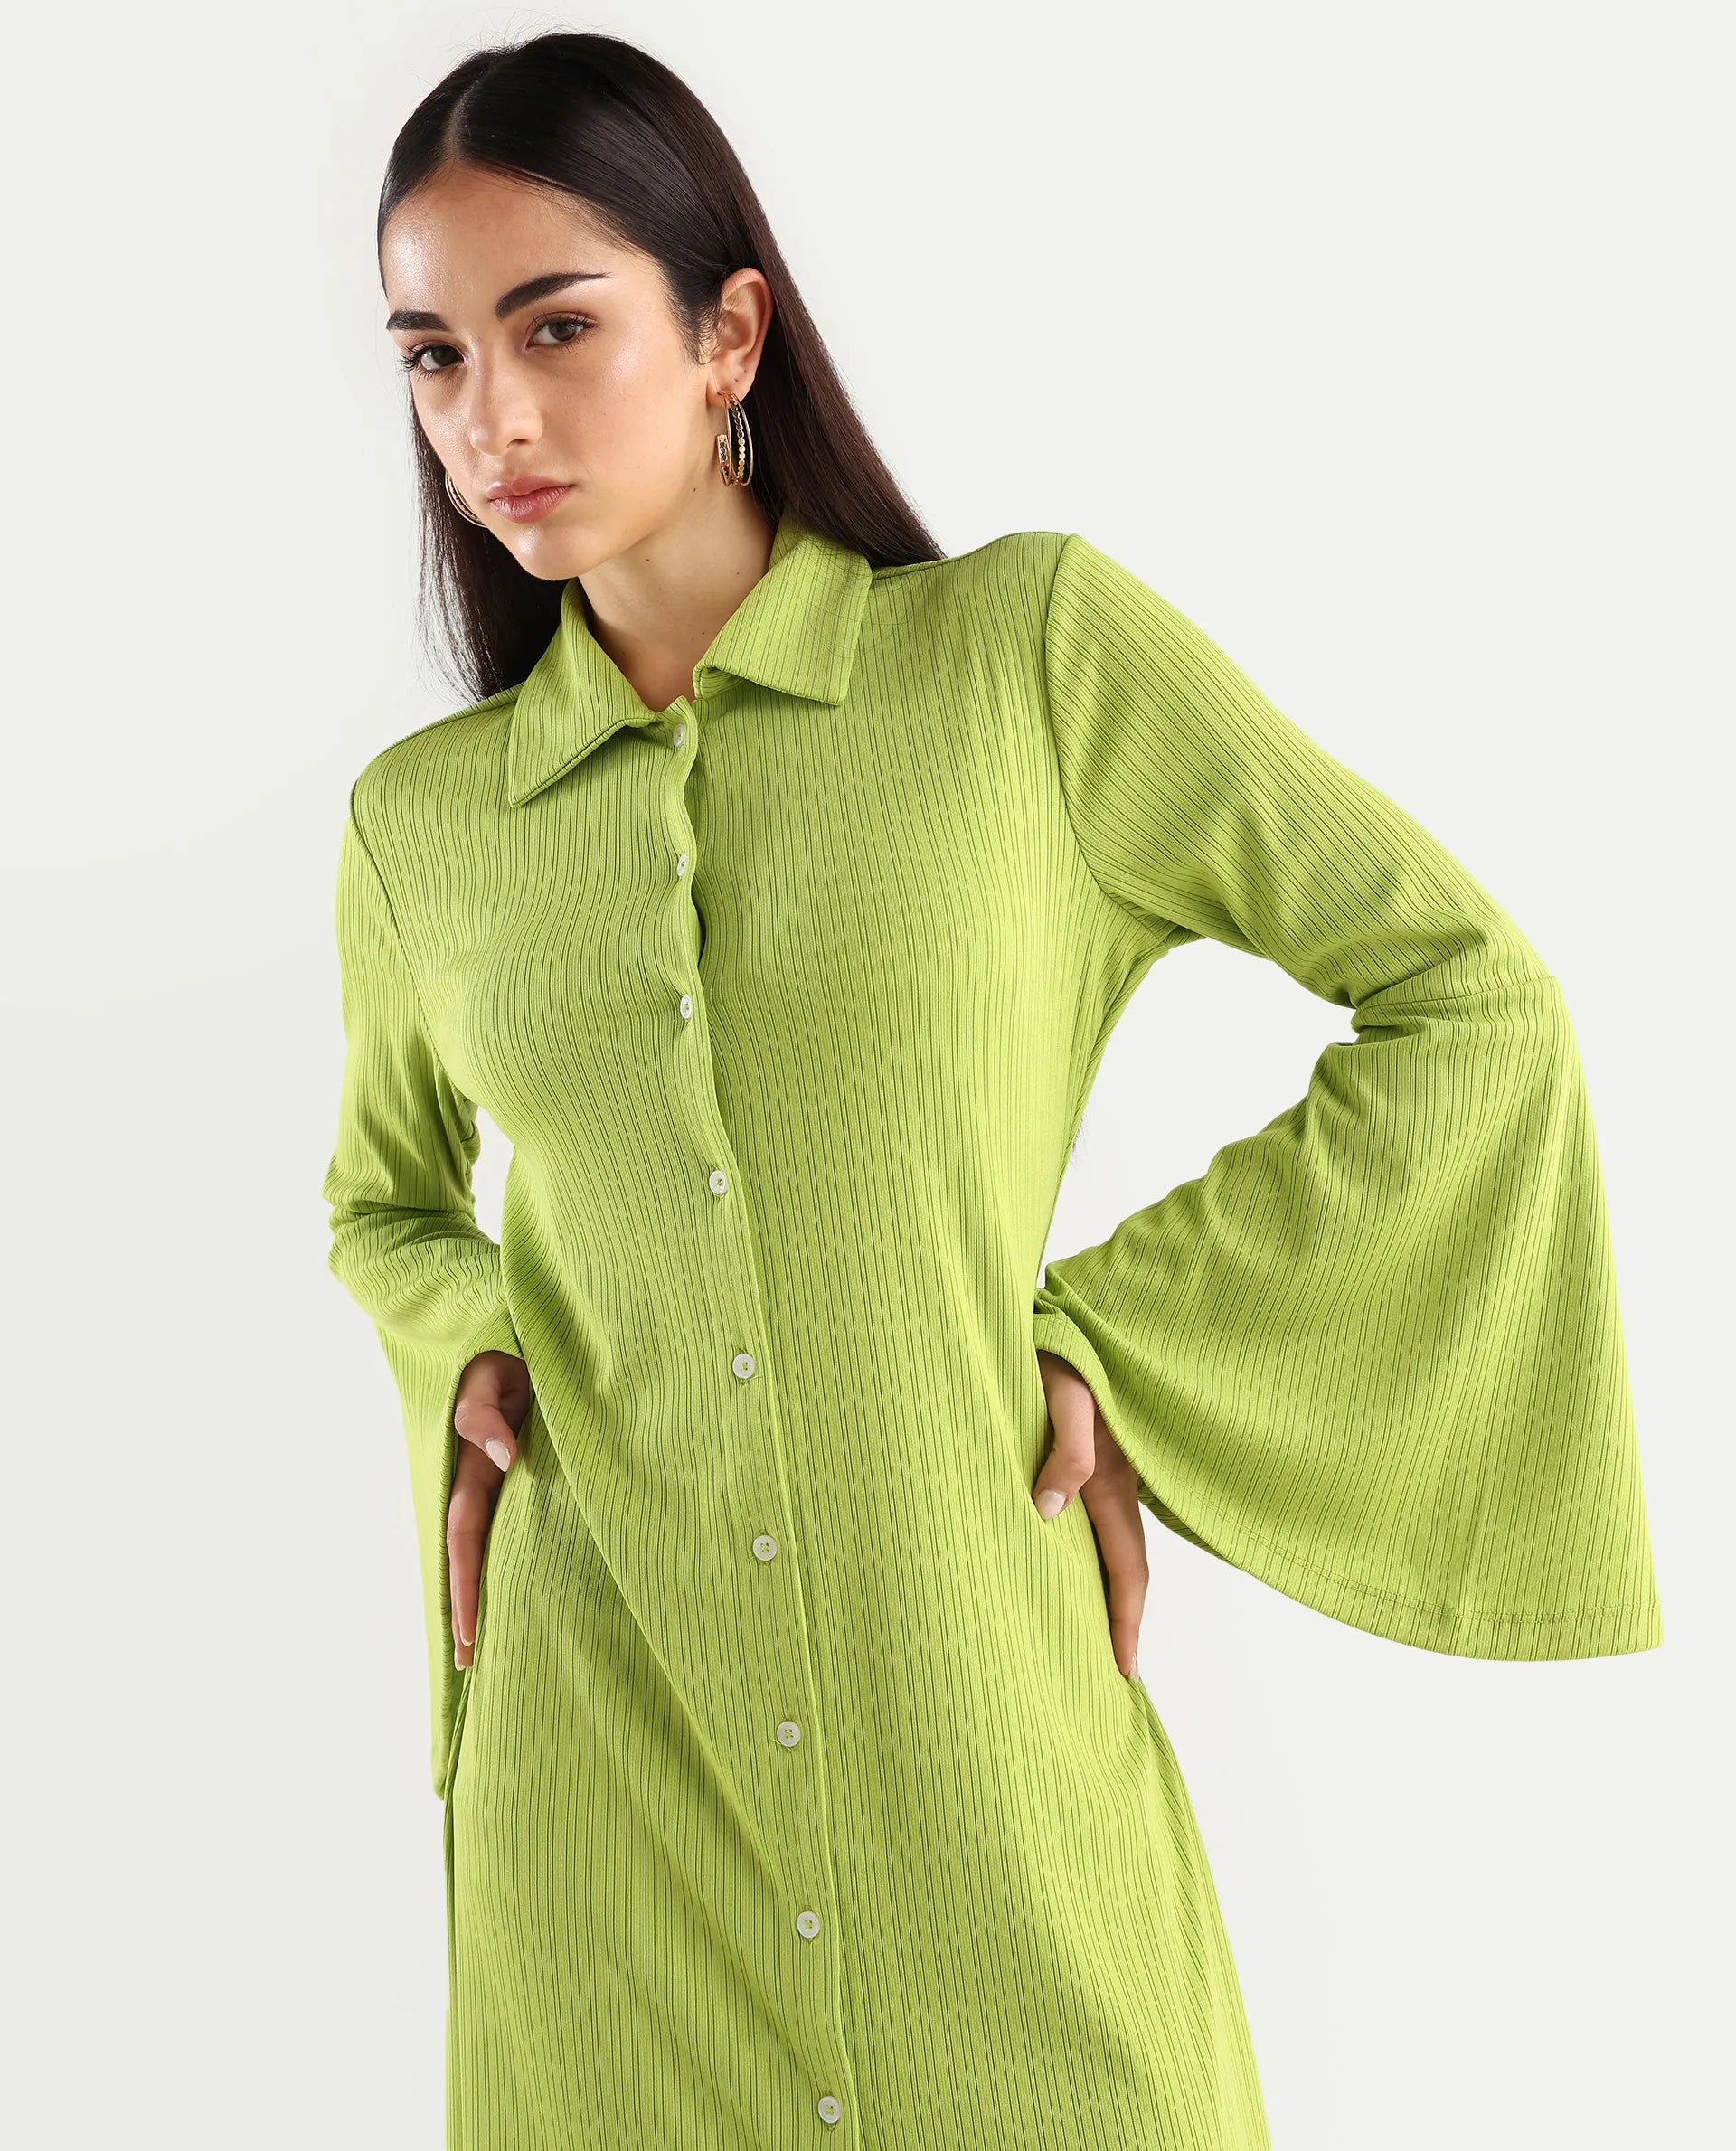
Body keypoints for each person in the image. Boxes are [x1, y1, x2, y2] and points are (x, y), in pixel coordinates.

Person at [320, 30, 1663, 2150]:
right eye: (434, 356)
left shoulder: (1023, 659)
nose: (490, 417)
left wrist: (1119, 1341)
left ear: (729, 331)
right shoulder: (424, 826)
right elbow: (382, 1199)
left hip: (987, 1730)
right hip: (605, 1783)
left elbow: (1465, 997)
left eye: (555, 328)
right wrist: (473, 1329)